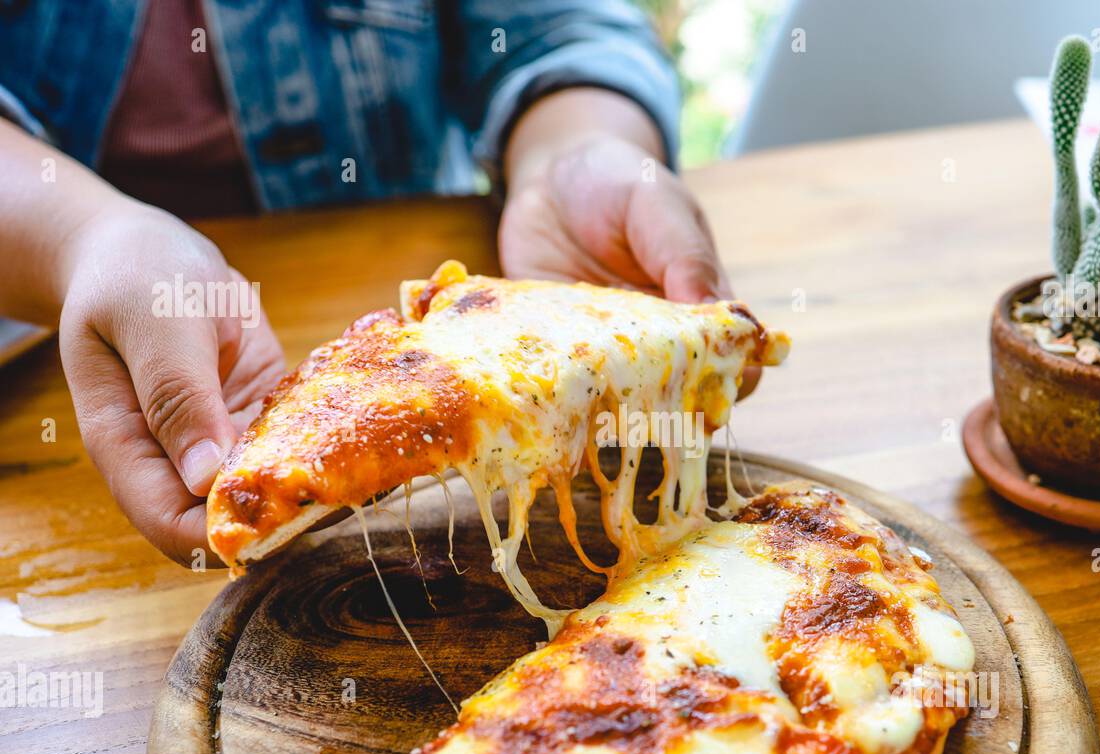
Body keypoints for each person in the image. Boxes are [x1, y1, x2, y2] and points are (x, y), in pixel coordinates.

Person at [0, 0, 737, 565]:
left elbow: (558, 26)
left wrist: (574, 153)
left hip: (471, 302)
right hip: (54, 391)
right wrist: (84, 238)